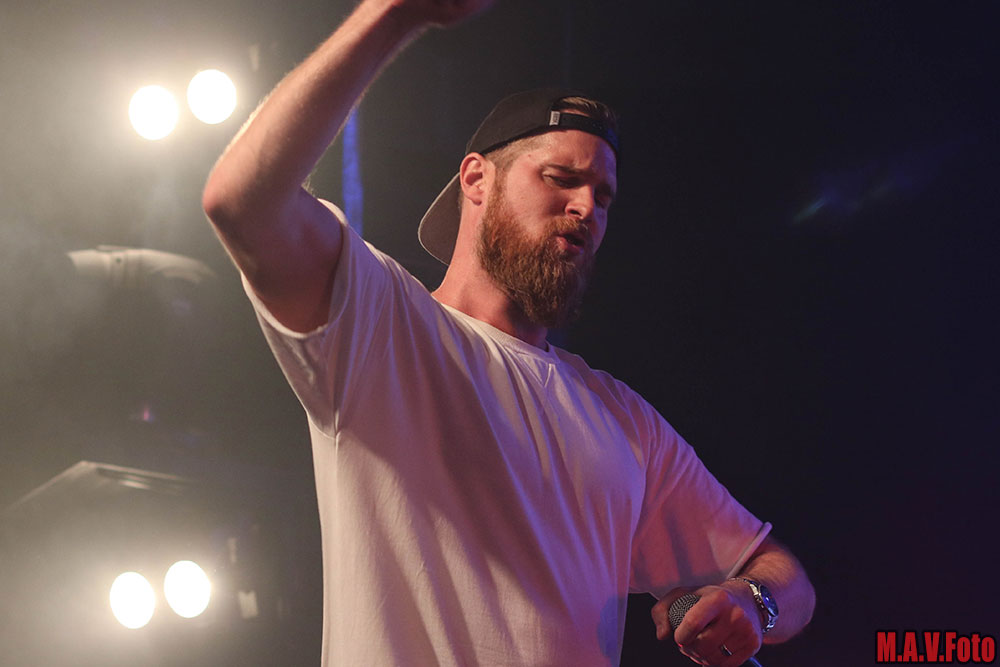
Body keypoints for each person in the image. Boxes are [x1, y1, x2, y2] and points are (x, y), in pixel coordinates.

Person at [202, 1, 816, 664]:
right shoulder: (385, 327)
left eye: (604, 197)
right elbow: (240, 200)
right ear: (476, 178)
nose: (586, 207)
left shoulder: (622, 420)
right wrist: (392, 14)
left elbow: (783, 575)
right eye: (561, 178)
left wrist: (753, 601)